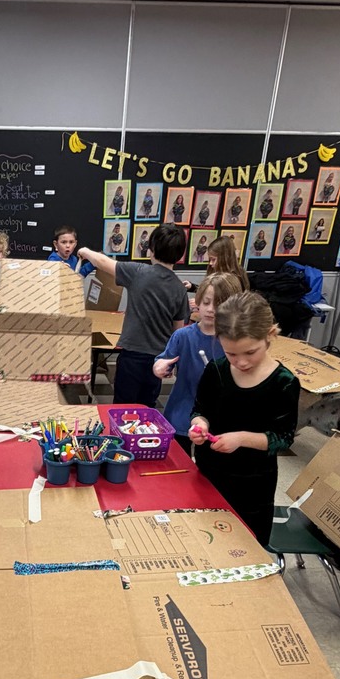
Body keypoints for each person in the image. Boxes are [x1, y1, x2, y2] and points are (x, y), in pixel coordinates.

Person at [188, 291, 300, 545]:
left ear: (271, 334)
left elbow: (283, 439)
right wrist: (199, 425)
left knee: (246, 546)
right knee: (206, 540)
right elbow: (200, 409)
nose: (241, 362)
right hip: (209, 474)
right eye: (231, 354)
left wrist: (241, 438)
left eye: (250, 352)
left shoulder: (283, 382)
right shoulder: (215, 370)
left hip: (252, 485)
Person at [79, 225, 189, 407]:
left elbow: (103, 262)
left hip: (132, 356)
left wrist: (85, 251)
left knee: (123, 406)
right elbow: (178, 331)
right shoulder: (179, 288)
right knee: (147, 407)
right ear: (180, 254)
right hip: (158, 359)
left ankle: (122, 435)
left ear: (151, 249)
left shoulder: (138, 272)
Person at [153, 272, 242, 453]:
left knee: (209, 468)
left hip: (218, 417)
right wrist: (159, 367)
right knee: (177, 463)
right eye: (206, 302)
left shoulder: (235, 340)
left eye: (218, 304)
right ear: (198, 303)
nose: (210, 309)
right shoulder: (183, 335)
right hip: (181, 411)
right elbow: (162, 360)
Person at [183, 235, 250, 293]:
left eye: (213, 259)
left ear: (225, 258)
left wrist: (202, 303)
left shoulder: (234, 279)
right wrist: (192, 287)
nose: (210, 263)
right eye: (210, 259)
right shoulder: (217, 271)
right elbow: (211, 292)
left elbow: (223, 301)